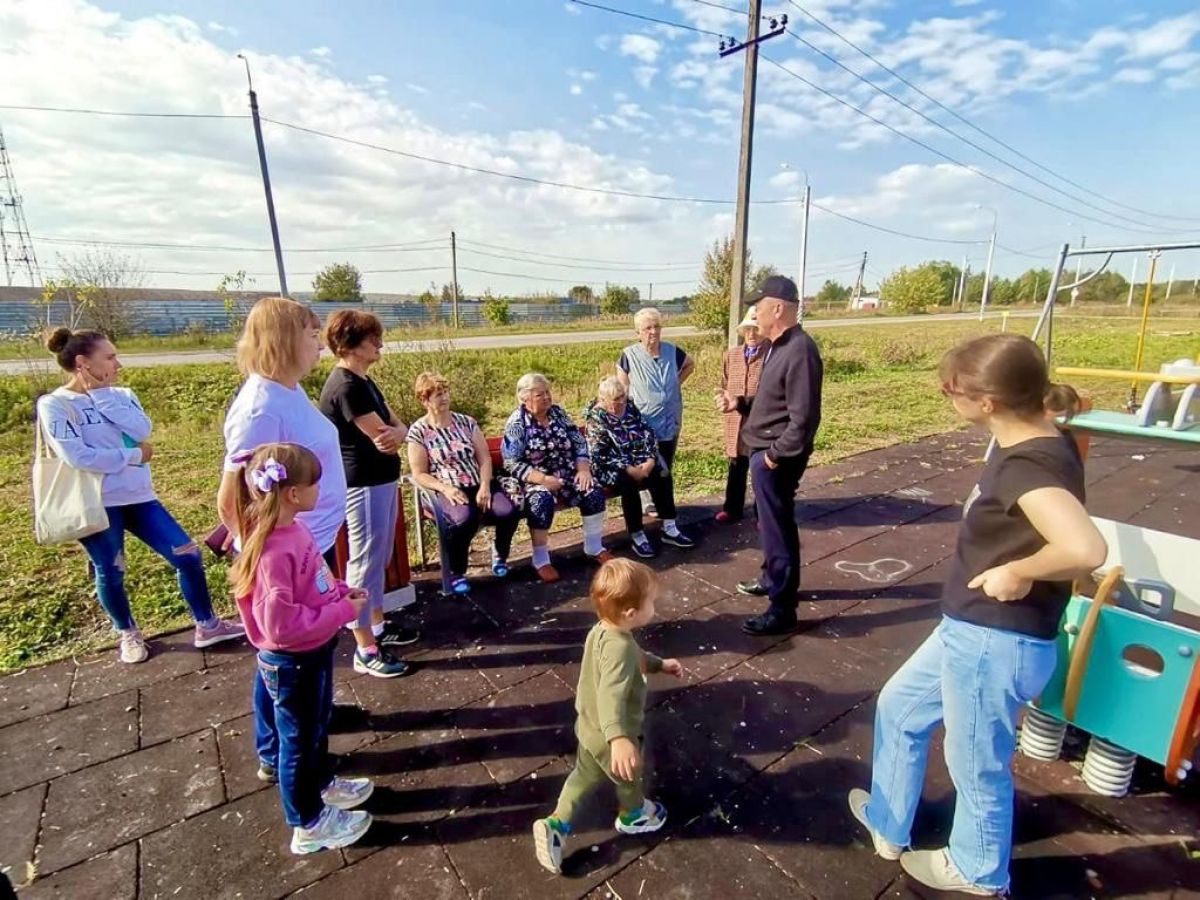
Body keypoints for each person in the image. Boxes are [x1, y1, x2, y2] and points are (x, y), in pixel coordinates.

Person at [848, 334, 1107, 896]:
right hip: (970, 628)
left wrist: (1019, 571)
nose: (947, 396)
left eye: (951, 390)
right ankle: (890, 824)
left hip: (996, 640)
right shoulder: (1037, 435)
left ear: (986, 401)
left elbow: (1086, 550)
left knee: (974, 765)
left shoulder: (1027, 467)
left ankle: (979, 871)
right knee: (899, 708)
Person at [36, 327, 243, 663]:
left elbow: (142, 430)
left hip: (140, 496)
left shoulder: (122, 395)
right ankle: (128, 633)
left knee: (187, 555)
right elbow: (78, 457)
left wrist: (102, 395)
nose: (118, 364)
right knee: (111, 570)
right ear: (82, 363)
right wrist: (134, 456)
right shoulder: (55, 404)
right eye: (110, 357)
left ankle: (207, 624)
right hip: (98, 504)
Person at [229, 442, 376, 855]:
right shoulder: (273, 551)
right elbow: (281, 628)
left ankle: (322, 785)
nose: (321, 489)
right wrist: (340, 613)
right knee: (297, 741)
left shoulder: (295, 529)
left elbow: (316, 579)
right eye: (315, 482)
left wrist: (342, 593)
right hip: (294, 661)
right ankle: (308, 823)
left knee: (314, 730)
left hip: (313, 651)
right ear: (292, 493)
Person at [531, 558, 682, 874]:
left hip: (588, 726)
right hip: (609, 732)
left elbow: (636, 658)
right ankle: (634, 813)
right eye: (651, 601)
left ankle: (556, 823)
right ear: (631, 613)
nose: (654, 606)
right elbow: (610, 694)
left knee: (583, 775)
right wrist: (619, 739)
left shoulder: (603, 631)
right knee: (629, 772)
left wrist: (659, 664)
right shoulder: (621, 648)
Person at [718, 276, 823, 637]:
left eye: (758, 306)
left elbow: (804, 418)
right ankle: (771, 578)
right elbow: (774, 401)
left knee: (777, 527)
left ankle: (783, 609)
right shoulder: (777, 345)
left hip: (775, 456)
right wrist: (740, 402)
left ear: (778, 308)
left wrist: (774, 457)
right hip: (764, 449)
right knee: (770, 523)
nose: (754, 314)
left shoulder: (800, 350)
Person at [318, 310, 416, 680]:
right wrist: (396, 433)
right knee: (363, 562)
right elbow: (384, 437)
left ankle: (377, 626)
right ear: (349, 344)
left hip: (381, 481)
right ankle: (365, 648)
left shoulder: (365, 382)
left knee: (378, 555)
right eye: (372, 338)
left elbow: (399, 426)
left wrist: (399, 432)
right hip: (363, 484)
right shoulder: (347, 387)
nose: (379, 344)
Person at [218, 297, 347, 571]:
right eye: (313, 336)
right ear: (284, 340)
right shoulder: (260, 410)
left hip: (314, 542)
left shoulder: (289, 389)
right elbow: (231, 503)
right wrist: (277, 560)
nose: (321, 345)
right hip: (291, 557)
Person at [406, 371, 523, 592]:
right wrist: (445, 488)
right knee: (464, 519)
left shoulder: (466, 423)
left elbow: (484, 458)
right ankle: (456, 571)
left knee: (508, 511)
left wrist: (485, 486)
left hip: (477, 483)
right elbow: (419, 473)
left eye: (445, 392)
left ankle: (500, 553)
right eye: (437, 394)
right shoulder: (419, 431)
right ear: (424, 400)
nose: (444, 397)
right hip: (446, 488)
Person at [502, 373, 611, 583]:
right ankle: (541, 559)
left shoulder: (558, 413)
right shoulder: (517, 423)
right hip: (533, 479)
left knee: (592, 491)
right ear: (524, 398)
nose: (546, 397)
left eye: (547, 392)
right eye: (539, 394)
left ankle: (594, 547)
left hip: (568, 472)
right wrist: (543, 480)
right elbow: (511, 463)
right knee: (540, 501)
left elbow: (579, 441)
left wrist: (583, 469)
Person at [583, 375, 695, 558]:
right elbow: (598, 454)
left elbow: (647, 432)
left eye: (622, 397)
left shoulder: (630, 407)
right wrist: (627, 467)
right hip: (610, 466)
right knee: (628, 483)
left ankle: (669, 526)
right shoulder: (596, 418)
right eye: (615, 399)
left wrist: (650, 460)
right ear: (603, 400)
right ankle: (637, 534)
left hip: (639, 459)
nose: (621, 402)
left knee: (662, 473)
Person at [616, 307, 695, 516]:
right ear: (638, 333)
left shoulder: (671, 351)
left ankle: (663, 502)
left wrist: (676, 383)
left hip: (670, 417)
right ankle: (647, 501)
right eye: (647, 328)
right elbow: (622, 387)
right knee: (646, 459)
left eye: (656, 326)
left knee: (666, 459)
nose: (653, 332)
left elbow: (690, 364)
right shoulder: (629, 355)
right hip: (644, 420)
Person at [714, 307, 769, 523]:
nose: (752, 335)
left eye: (756, 329)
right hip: (734, 420)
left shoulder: (771, 354)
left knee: (760, 471)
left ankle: (762, 515)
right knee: (736, 467)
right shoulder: (732, 355)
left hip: (760, 420)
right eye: (748, 330)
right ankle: (732, 508)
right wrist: (721, 398)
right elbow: (724, 382)